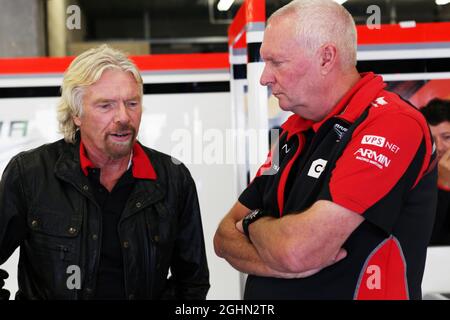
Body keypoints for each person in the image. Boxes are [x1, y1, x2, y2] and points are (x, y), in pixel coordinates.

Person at [214, 0, 437, 300]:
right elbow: (224, 237)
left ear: (326, 57)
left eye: (277, 62)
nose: (264, 78)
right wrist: (279, 260)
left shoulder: (392, 123)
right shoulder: (291, 132)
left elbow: (298, 251)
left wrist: (254, 223)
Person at [0, 45, 209, 300]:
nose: (123, 117)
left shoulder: (173, 179)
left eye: (132, 103)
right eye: (106, 106)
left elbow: (192, 282)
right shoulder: (29, 174)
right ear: (77, 114)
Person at [421, 98, 450, 245]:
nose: (439, 147)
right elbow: (429, 239)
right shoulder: (417, 181)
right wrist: (444, 184)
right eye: (431, 139)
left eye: (447, 137)